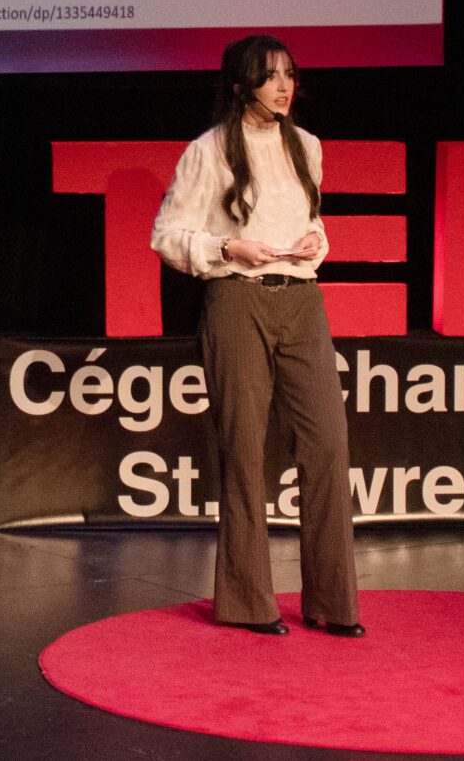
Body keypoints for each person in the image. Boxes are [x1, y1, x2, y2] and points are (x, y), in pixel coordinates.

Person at [150, 35, 364, 637]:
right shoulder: (210, 150)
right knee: (243, 450)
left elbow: (312, 219)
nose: (284, 86)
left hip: (301, 300)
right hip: (236, 299)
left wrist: (315, 240)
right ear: (242, 85)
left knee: (327, 443)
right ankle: (248, 601)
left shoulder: (308, 148)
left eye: (290, 74)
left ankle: (334, 603)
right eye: (270, 77)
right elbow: (166, 234)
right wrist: (226, 247)